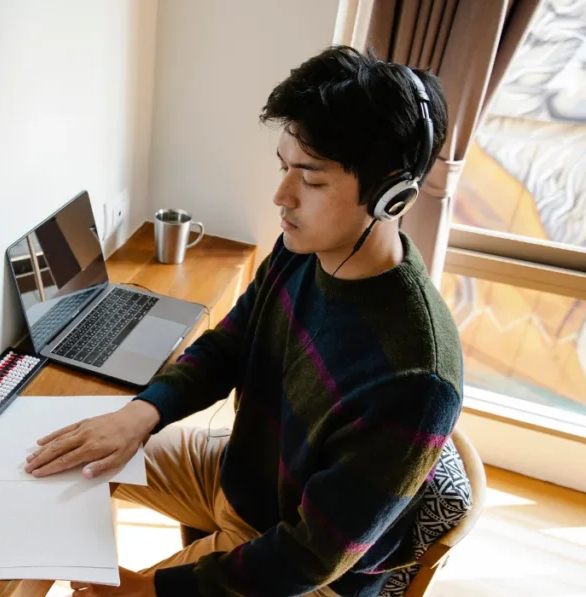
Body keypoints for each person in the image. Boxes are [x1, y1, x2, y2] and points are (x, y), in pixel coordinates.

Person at [24, 46, 462, 597]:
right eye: (284, 167)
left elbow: (310, 556)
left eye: (311, 179)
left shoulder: (416, 380)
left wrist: (152, 590)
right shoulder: (303, 248)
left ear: (391, 196)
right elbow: (231, 343)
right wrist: (142, 412)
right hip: (240, 472)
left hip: (293, 554)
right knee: (64, 457)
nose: (281, 196)